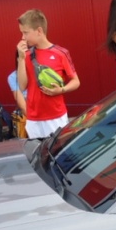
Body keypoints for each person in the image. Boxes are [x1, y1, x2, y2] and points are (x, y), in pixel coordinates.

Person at [16, 9, 81, 139]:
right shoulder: (26, 55)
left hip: (56, 116)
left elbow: (76, 81)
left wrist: (61, 90)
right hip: (33, 118)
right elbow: (22, 86)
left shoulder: (60, 53)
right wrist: (21, 59)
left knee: (58, 152)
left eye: (25, 32)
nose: (23, 37)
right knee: (38, 155)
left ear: (39, 31)